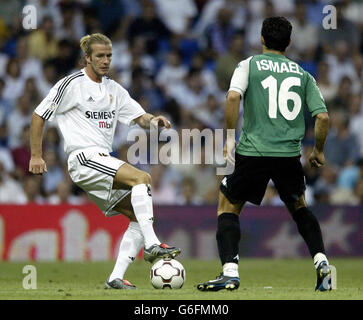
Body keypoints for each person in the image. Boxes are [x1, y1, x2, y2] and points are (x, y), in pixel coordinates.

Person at [29, 33, 181, 290]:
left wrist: (153, 120)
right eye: (99, 56)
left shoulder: (114, 89)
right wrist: (36, 154)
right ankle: (153, 245)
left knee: (137, 217)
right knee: (142, 179)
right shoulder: (71, 84)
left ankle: (115, 277)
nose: (105, 60)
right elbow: (38, 115)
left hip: (101, 160)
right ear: (86, 57)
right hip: (83, 157)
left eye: (109, 55)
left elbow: (138, 117)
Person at [197, 17, 331, 292]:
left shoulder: (248, 65)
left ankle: (230, 273)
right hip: (288, 155)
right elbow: (323, 117)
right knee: (300, 208)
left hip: (253, 151)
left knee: (228, 205)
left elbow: (233, 97)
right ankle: (321, 262)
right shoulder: (303, 73)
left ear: (261, 39)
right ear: (289, 43)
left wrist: (230, 139)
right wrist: (317, 150)